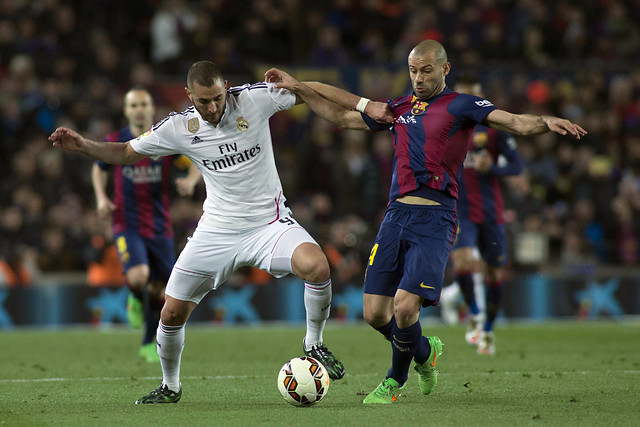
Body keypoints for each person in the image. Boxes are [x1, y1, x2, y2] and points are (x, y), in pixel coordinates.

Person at [264, 39, 586, 404]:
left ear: (445, 69)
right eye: (413, 71)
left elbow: (513, 122)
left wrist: (546, 122)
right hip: (396, 215)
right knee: (373, 313)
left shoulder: (461, 104)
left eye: (426, 70)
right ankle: (424, 352)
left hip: (435, 217)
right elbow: (342, 115)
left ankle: (393, 383)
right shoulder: (399, 108)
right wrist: (300, 89)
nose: (418, 78)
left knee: (404, 307)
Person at [50, 61, 346, 404]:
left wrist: (362, 107)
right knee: (171, 312)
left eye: (218, 98)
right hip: (216, 232)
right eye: (204, 101)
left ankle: (314, 343)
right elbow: (127, 152)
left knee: (318, 266)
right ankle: (170, 386)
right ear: (189, 96)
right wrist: (83, 145)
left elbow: (307, 92)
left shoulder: (253, 99)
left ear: (226, 88)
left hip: (269, 224)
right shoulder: (179, 126)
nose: (213, 107)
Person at [90, 86, 201, 363]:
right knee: (139, 277)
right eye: (134, 105)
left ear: (152, 109)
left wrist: (190, 180)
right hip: (126, 222)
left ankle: (147, 342)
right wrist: (102, 198)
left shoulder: (163, 139)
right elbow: (98, 167)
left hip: (159, 225)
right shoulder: (116, 141)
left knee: (161, 289)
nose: (139, 109)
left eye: (144, 104)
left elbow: (196, 158)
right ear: (127, 111)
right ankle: (133, 296)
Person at [449, 73, 524, 355]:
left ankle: (489, 329)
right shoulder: (448, 130)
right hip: (461, 210)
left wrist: (491, 167)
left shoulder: (494, 130)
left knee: (494, 274)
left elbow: (516, 167)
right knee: (463, 261)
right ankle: (474, 312)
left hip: (491, 212)